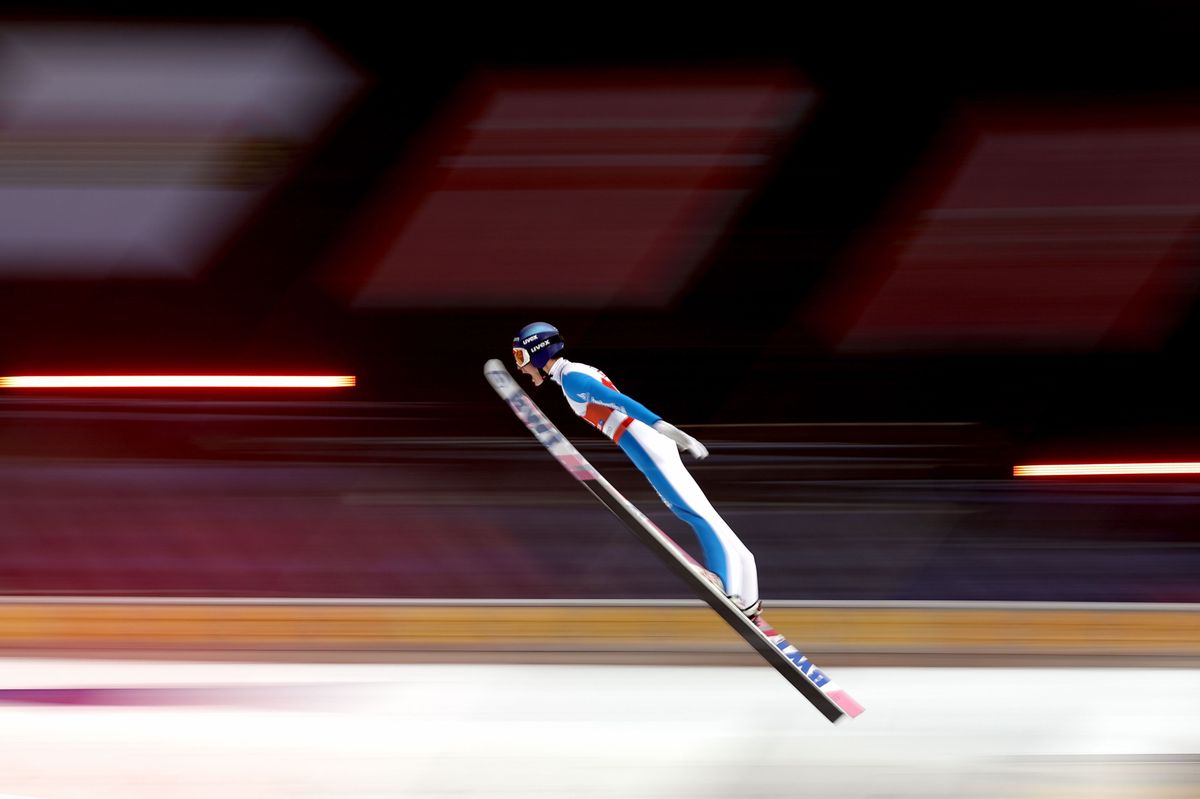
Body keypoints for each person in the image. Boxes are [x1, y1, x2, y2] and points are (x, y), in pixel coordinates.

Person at [512, 321, 760, 618]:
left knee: (692, 513)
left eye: (521, 358)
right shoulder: (575, 372)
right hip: (650, 446)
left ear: (538, 353)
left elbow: (621, 402)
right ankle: (749, 596)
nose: (521, 368)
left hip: (649, 448)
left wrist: (666, 428)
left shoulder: (572, 379)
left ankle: (725, 583)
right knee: (703, 514)